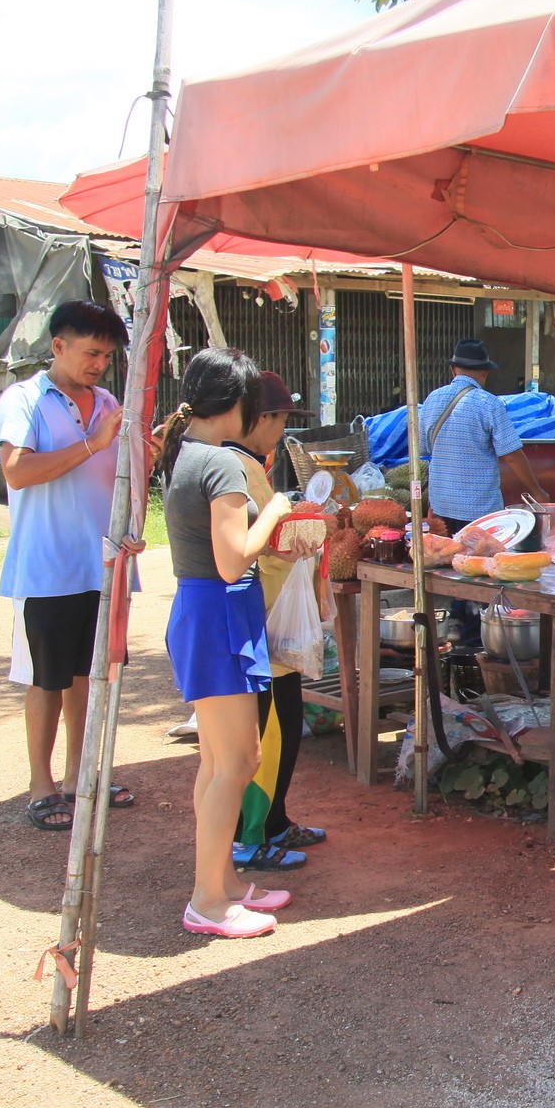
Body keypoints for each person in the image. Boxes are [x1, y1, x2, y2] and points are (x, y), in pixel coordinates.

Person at [157, 348, 316, 938]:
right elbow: (231, 562)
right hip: (220, 612)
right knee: (239, 762)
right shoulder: (222, 465)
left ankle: (221, 882)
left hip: (205, 613)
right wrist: (274, 509)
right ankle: (207, 900)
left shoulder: (189, 453)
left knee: (218, 762)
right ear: (239, 403)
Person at [0, 300, 142, 832]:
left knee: (88, 677)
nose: (100, 363)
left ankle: (81, 777)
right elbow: (17, 472)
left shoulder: (107, 402)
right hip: (48, 566)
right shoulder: (24, 399)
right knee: (47, 679)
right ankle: (41, 786)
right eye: (91, 352)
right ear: (59, 346)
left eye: (107, 354)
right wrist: (91, 443)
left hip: (101, 565)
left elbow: (120, 475)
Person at [222, 372, 327, 873]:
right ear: (260, 418)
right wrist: (296, 534)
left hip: (269, 621)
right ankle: (251, 836)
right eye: (282, 420)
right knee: (267, 733)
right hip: (255, 618)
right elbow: (254, 547)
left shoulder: (249, 466)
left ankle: (277, 820)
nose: (283, 432)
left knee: (286, 723)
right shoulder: (235, 469)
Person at [419, 338, 547, 533]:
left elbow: (425, 448)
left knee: (444, 560)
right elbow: (511, 455)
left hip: (440, 508)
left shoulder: (431, 400)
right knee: (477, 561)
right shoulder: (489, 403)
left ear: (453, 370)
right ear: (485, 372)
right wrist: (537, 491)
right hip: (479, 513)